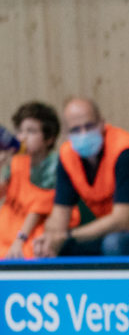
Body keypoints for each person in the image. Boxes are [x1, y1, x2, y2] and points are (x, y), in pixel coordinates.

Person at [31, 97, 129, 257]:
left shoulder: (126, 153)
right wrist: (51, 239)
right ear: (66, 133)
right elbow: (59, 215)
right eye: (76, 130)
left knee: (115, 243)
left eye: (89, 126)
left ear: (102, 123)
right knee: (60, 248)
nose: (83, 134)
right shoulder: (67, 156)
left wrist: (68, 236)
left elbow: (122, 221)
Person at [0, 101, 76, 260]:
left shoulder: (55, 164)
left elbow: (37, 208)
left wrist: (19, 240)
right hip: (10, 227)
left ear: (49, 139)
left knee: (27, 254)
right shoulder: (17, 160)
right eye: (20, 131)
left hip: (38, 228)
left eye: (31, 131)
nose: (23, 137)